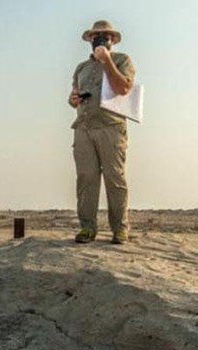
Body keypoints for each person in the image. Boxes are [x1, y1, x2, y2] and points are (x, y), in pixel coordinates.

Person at [68, 20, 135, 244]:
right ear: (89, 39)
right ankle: (87, 227)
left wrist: (106, 60)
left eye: (105, 35)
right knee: (86, 179)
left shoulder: (121, 60)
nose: (100, 39)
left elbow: (122, 88)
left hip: (111, 126)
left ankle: (120, 229)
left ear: (112, 39)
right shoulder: (81, 68)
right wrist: (73, 99)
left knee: (114, 178)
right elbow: (73, 97)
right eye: (96, 36)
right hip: (84, 127)